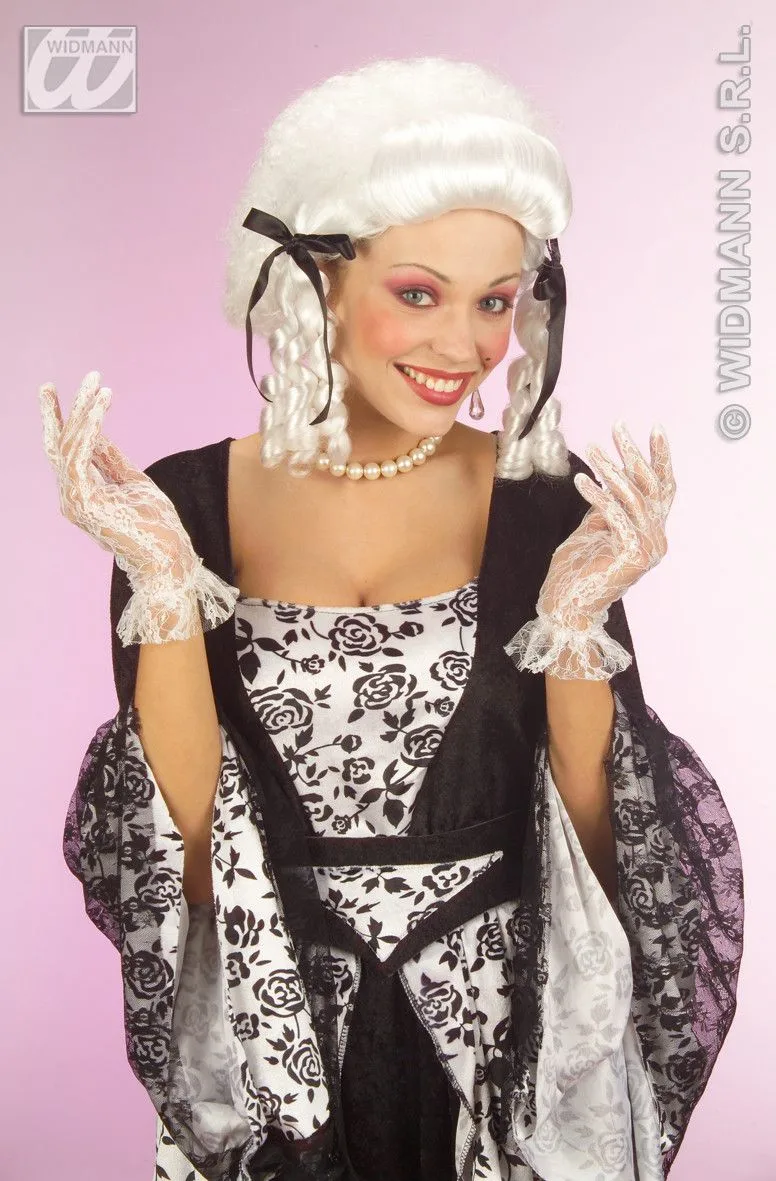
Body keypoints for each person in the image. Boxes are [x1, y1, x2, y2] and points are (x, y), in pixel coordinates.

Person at [39, 57, 743, 1181]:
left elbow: (603, 862)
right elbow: (191, 871)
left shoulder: (545, 506)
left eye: (496, 301)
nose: (464, 347)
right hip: (283, 1044)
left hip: (496, 1056)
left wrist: (573, 623)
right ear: (312, 277)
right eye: (419, 293)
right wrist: (166, 589)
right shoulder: (179, 512)